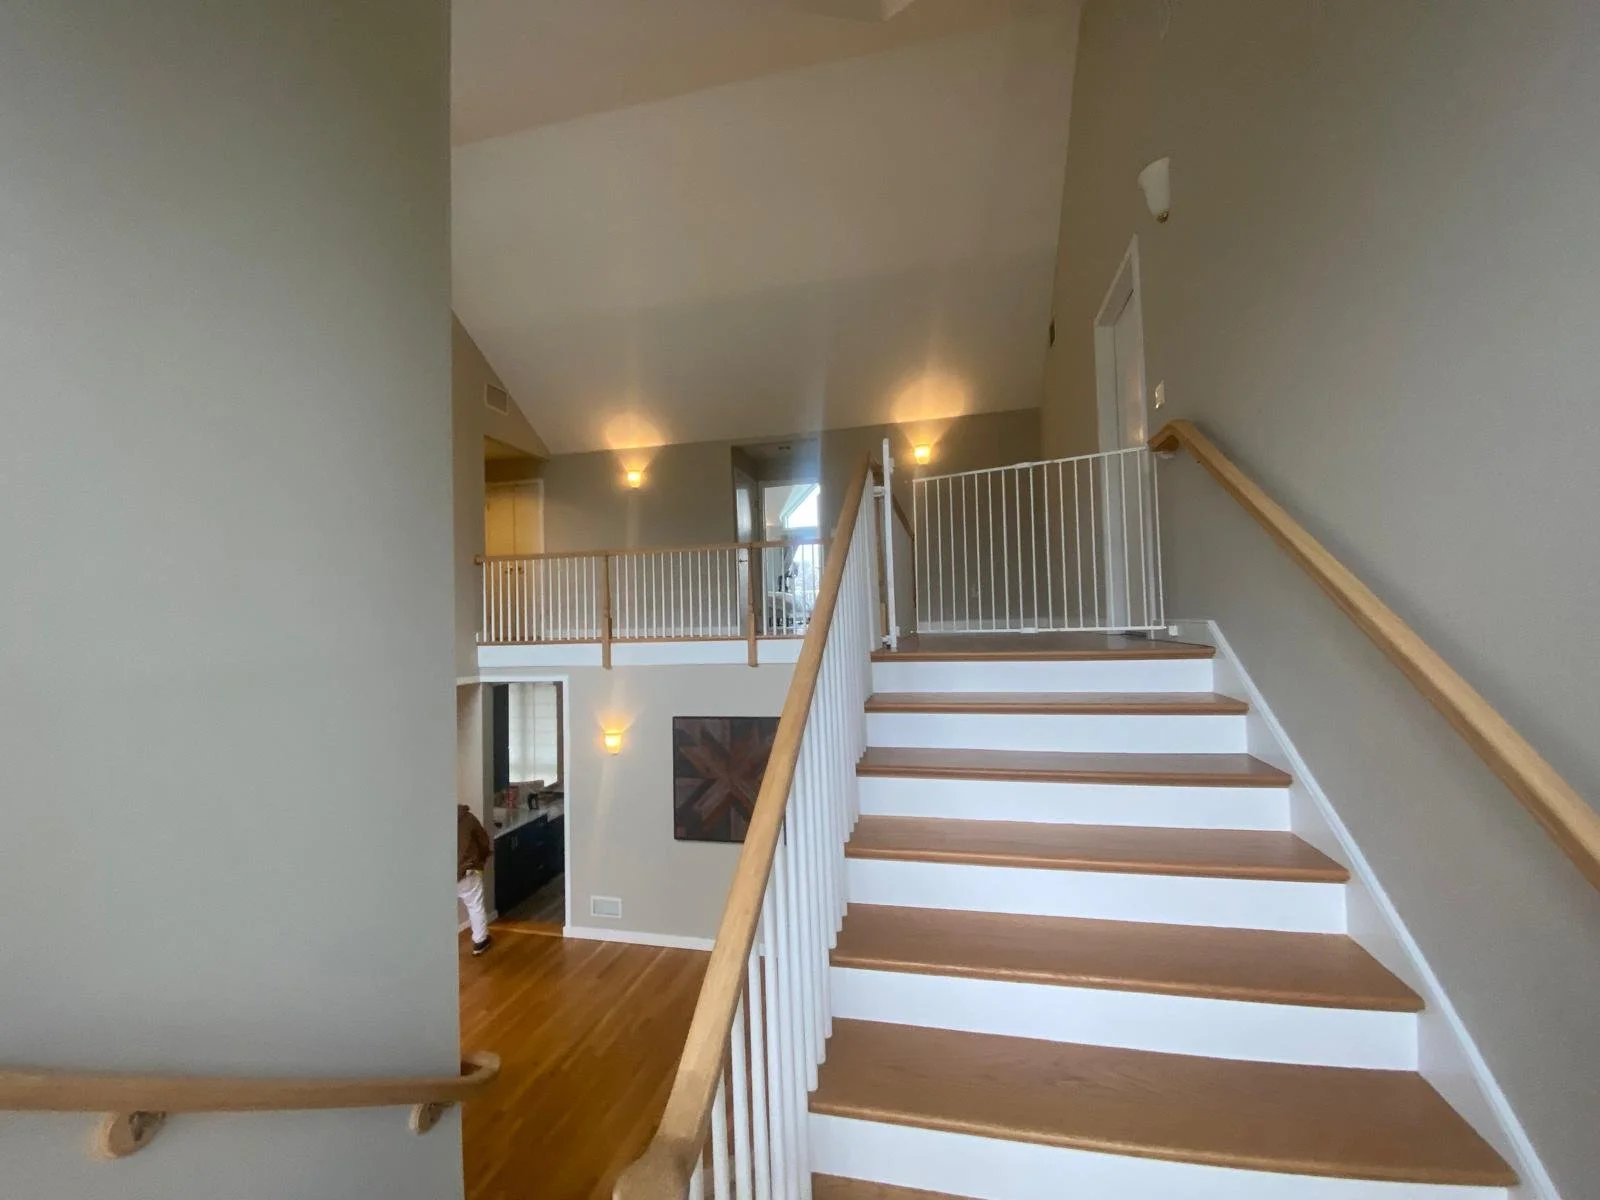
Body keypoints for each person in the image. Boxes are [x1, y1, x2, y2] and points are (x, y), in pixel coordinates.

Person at [457, 803, 494, 956]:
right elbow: (483, 841)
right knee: (475, 905)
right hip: (466, 870)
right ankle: (480, 941)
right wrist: (481, 859)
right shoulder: (467, 818)